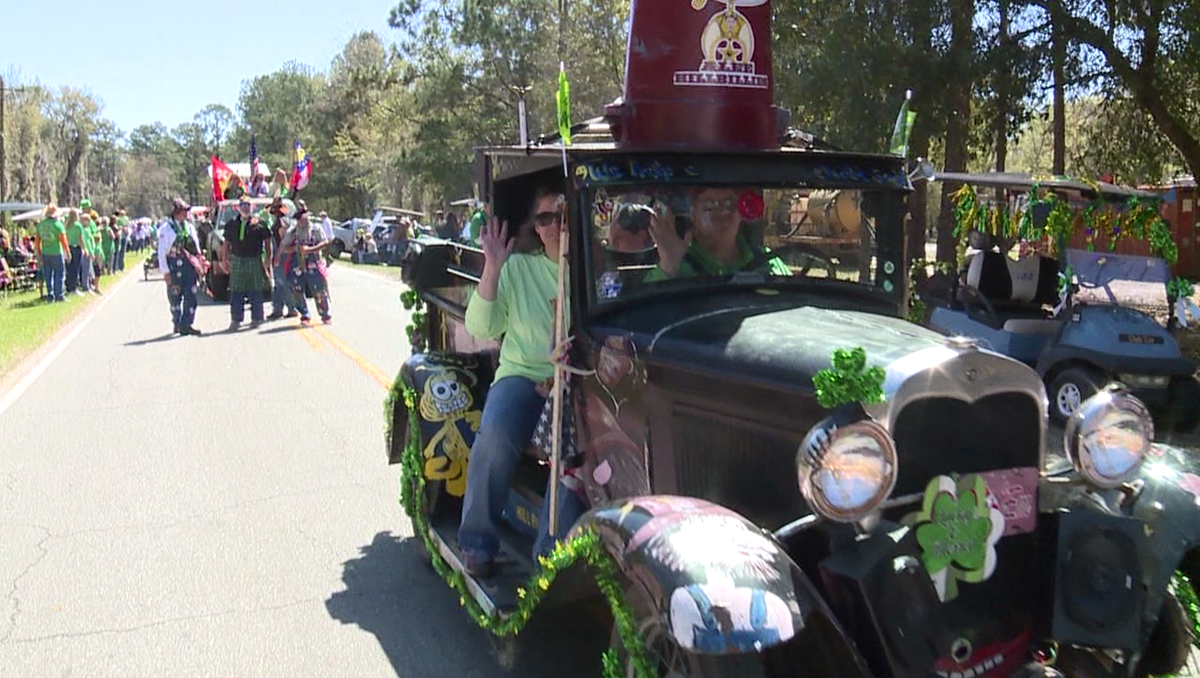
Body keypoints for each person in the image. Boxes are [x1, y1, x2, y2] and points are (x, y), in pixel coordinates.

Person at [456, 185, 587, 577]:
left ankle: (549, 558)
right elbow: (481, 325)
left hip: (574, 382)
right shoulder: (519, 268)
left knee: (572, 460)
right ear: (535, 224)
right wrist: (493, 267)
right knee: (494, 435)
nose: (553, 226)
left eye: (561, 217)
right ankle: (477, 541)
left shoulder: (589, 272)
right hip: (523, 375)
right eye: (545, 218)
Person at [645, 186, 790, 281]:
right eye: (709, 206)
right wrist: (669, 265)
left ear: (741, 213)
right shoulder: (676, 264)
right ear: (692, 213)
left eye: (730, 204)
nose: (722, 211)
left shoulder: (766, 260)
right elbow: (647, 315)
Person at [222, 195, 273, 330]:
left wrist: (268, 259)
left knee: (255, 290)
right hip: (237, 260)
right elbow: (226, 244)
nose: (245, 207)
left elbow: (268, 243)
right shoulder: (231, 224)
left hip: (254, 260)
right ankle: (236, 320)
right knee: (236, 291)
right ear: (238, 208)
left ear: (252, 207)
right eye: (243, 205)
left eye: (248, 205)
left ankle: (257, 318)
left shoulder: (260, 224)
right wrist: (224, 260)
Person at [157, 198, 204, 335]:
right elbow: (161, 251)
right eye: (184, 211)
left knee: (191, 296)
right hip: (174, 266)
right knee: (174, 297)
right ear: (177, 212)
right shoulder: (166, 229)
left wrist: (199, 261)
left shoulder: (189, 226)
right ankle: (177, 322)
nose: (186, 214)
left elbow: (196, 245)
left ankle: (186, 324)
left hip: (189, 266)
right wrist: (165, 271)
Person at [279, 208, 331, 324]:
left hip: (314, 262)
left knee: (319, 290)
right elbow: (284, 248)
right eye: (301, 219)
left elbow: (325, 243)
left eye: (305, 218)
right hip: (297, 263)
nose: (304, 221)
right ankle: (305, 314)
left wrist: (310, 249)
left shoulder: (316, 228)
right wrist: (296, 249)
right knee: (297, 289)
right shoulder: (292, 231)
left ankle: (325, 315)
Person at [267, 200, 297, 320]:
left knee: (283, 282)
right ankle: (277, 309)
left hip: (282, 255)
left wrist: (278, 256)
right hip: (280, 254)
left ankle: (292, 308)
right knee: (279, 284)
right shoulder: (282, 221)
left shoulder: (282, 223)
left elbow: (283, 241)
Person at [34, 205, 70, 302]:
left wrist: (39, 254)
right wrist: (67, 252)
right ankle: (59, 294)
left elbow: (37, 242)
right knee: (59, 274)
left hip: (45, 253)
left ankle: (50, 295)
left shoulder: (40, 225)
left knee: (48, 275)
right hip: (57, 253)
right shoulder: (58, 225)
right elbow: (64, 241)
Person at [64, 208, 86, 294]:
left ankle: (68, 287)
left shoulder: (66, 226)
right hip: (76, 248)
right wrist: (84, 248)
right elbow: (80, 239)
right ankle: (73, 288)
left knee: (69, 268)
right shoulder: (78, 225)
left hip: (68, 248)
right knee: (75, 268)